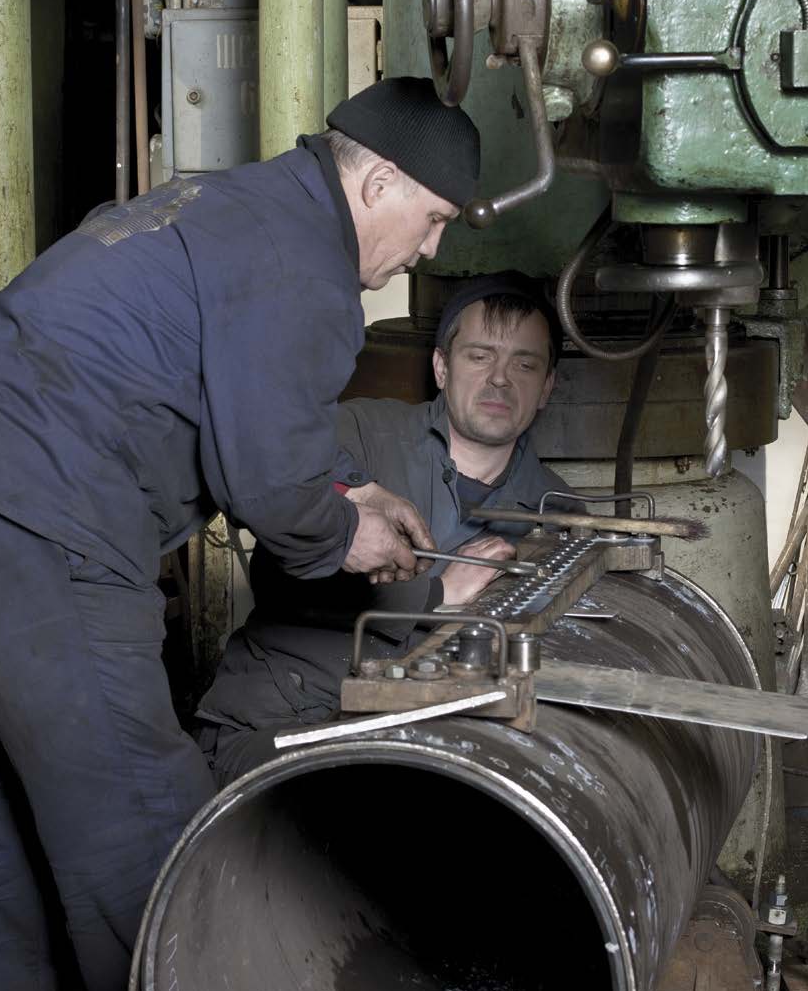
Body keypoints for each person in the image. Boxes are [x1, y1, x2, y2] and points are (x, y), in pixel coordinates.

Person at [0, 78, 476, 991]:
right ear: (381, 182)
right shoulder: (312, 275)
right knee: (136, 813)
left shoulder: (231, 203)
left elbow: (247, 410)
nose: (427, 251)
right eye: (430, 222)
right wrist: (350, 529)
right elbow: (276, 495)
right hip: (39, 509)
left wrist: (345, 486)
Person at [196, 273, 569, 783]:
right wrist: (436, 593)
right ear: (441, 367)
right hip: (286, 719)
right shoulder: (355, 437)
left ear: (547, 386)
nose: (500, 378)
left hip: (438, 747)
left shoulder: (558, 511)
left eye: (524, 364)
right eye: (479, 356)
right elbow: (285, 574)